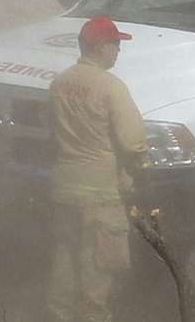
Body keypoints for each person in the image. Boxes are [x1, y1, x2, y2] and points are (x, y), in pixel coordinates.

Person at [48, 16, 148, 322]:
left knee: (65, 261)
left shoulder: (59, 83)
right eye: (116, 43)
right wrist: (144, 168)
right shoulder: (111, 87)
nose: (118, 50)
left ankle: (58, 316)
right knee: (97, 270)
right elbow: (133, 143)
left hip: (64, 189)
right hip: (100, 195)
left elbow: (51, 132)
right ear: (101, 47)